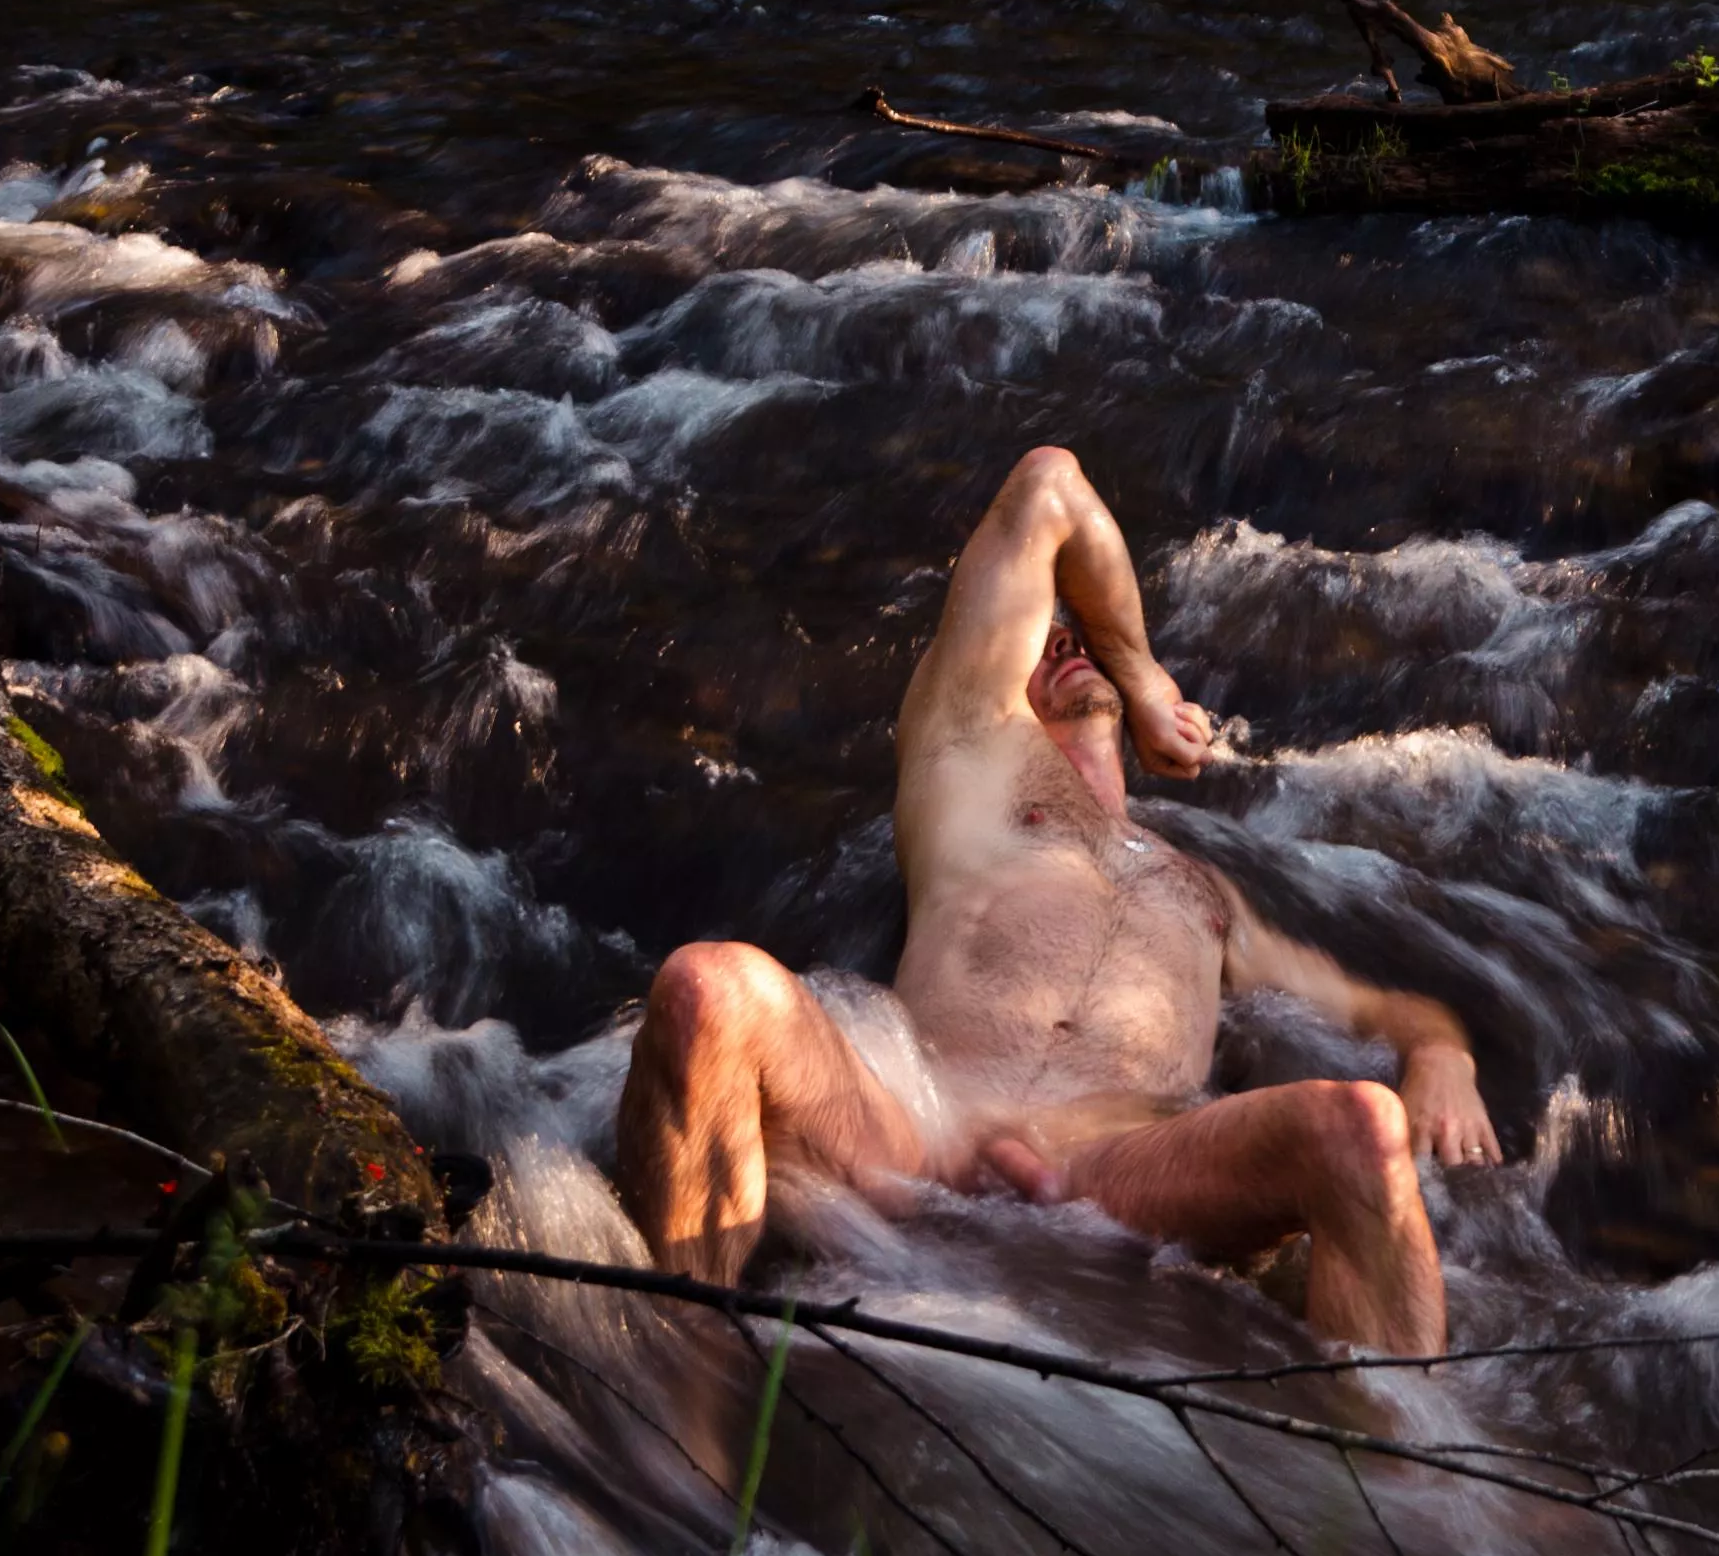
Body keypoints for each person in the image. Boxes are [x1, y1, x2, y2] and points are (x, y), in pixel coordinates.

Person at [613, 447, 1499, 1358]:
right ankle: (684, 1397)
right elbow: (1049, 488)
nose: (1067, 642)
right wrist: (1144, 672)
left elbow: (1373, 1008)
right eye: (1048, 640)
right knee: (706, 987)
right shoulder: (971, 752)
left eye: (1082, 636)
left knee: (1359, 1128)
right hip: (915, 1132)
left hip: (1109, 1174)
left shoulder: (1206, 895)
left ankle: (1400, 1484)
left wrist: (1438, 1052)